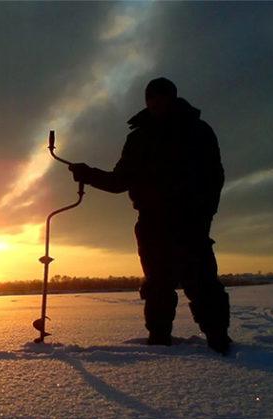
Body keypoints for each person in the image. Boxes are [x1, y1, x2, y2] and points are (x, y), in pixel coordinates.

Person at [69, 77, 231, 355]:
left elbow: (214, 177)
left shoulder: (198, 131)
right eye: (151, 98)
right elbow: (120, 181)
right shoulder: (139, 137)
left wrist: (204, 214)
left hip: (190, 222)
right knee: (157, 286)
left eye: (161, 97)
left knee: (203, 282)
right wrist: (88, 174)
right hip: (152, 224)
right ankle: (159, 343)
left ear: (173, 97)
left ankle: (219, 340)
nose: (155, 103)